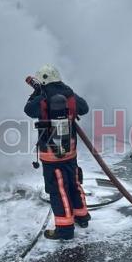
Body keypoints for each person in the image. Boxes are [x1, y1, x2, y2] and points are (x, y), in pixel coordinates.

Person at [25, 64, 90, 240]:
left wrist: (37, 94)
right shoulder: (69, 94)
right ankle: (82, 217)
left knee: (58, 189)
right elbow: (84, 108)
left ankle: (64, 229)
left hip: (51, 153)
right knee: (74, 182)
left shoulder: (43, 97)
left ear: (43, 79)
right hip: (71, 150)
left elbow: (29, 110)